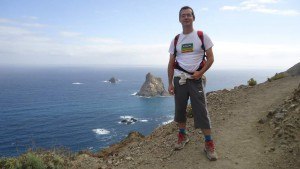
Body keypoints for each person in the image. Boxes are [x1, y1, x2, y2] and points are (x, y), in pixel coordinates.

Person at [167, 6, 217, 161]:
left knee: (201, 111)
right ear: (179, 19)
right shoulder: (176, 40)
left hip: (196, 80)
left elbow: (211, 58)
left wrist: (200, 73)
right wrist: (170, 83)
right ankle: (183, 136)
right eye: (183, 15)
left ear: (193, 18)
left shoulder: (202, 36)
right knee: (180, 110)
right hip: (179, 79)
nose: (186, 17)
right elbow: (170, 63)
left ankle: (209, 144)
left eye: (189, 15)